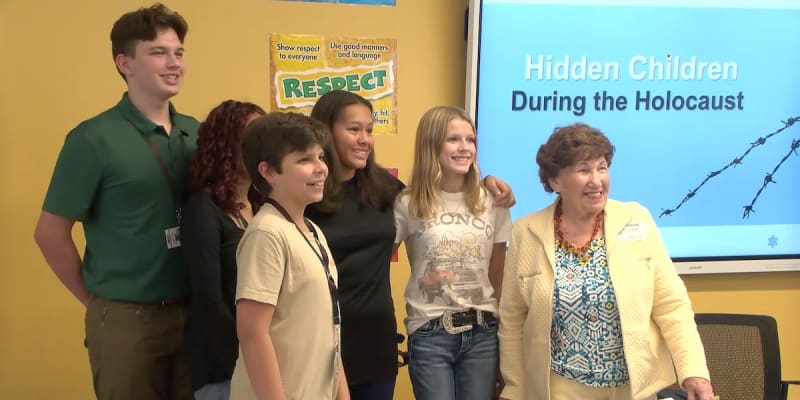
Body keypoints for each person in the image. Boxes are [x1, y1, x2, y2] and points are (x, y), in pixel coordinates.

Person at [306, 90, 516, 400]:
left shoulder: (384, 189)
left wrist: (486, 181)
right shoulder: (311, 195)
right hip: (332, 332)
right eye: (354, 129)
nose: (364, 138)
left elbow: (495, 268)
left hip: (393, 337)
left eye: (369, 129)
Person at [33, 4, 196, 399]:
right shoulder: (92, 139)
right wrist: (97, 302)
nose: (173, 63)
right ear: (125, 63)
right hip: (127, 318)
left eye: (178, 53)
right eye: (158, 52)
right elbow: (50, 233)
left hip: (195, 314)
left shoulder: (197, 132)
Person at [498, 123, 715, 400]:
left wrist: (694, 372)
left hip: (635, 389)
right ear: (555, 181)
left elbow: (672, 305)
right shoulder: (526, 232)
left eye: (602, 167)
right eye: (584, 169)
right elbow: (513, 320)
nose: (597, 180)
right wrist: (515, 389)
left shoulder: (636, 218)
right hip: (562, 388)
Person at [394, 106, 511, 400]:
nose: (464, 148)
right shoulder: (408, 203)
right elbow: (377, 264)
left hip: (483, 331)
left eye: (470, 140)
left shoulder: (493, 201)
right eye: (453, 139)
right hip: (430, 330)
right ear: (431, 145)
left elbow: (497, 272)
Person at [230, 112, 349, 400]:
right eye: (305, 160)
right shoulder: (267, 234)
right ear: (268, 171)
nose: (321, 168)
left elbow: (328, 329)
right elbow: (252, 334)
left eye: (321, 157)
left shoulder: (313, 230)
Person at [181, 100, 266, 400]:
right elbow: (209, 301)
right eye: (250, 137)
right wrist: (246, 361)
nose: (260, 146)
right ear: (225, 145)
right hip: (224, 369)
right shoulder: (203, 209)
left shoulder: (265, 207)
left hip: (267, 362)